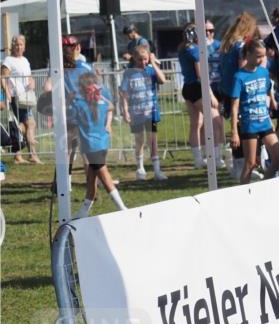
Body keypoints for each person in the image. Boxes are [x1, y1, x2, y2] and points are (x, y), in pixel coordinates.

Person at [69, 72, 127, 218]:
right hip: (103, 142)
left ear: (81, 88)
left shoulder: (77, 104)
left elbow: (72, 124)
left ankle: (122, 207)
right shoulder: (102, 99)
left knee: (105, 177)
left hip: (90, 146)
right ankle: (83, 211)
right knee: (91, 179)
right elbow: (112, 107)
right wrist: (107, 123)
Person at [229, 39, 279, 184]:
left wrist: (273, 100)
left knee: (278, 156)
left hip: (265, 122)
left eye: (263, 56)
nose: (261, 60)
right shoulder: (239, 77)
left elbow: (268, 89)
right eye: (258, 56)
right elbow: (234, 106)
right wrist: (235, 132)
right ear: (248, 55)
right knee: (250, 163)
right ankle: (243, 193)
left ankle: (264, 184)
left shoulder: (263, 72)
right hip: (249, 124)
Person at [177, 22, 226, 170]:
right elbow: (201, 75)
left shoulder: (183, 48)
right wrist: (210, 94)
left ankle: (200, 158)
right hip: (198, 88)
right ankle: (216, 158)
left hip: (188, 87)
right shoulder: (194, 50)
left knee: (197, 124)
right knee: (215, 121)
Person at [119, 44, 167, 181]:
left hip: (151, 111)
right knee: (139, 139)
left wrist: (153, 63)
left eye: (145, 59)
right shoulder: (129, 73)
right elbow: (123, 93)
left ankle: (157, 171)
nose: (143, 62)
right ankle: (140, 168)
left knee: (153, 140)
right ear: (134, 58)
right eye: (140, 59)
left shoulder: (151, 70)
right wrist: (125, 111)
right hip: (136, 113)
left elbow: (162, 80)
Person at [220, 12, 259, 176]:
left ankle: (237, 165)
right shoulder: (241, 46)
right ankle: (243, 165)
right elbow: (243, 67)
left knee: (235, 127)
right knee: (243, 129)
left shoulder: (228, 45)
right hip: (239, 91)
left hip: (227, 90)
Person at [3, 34, 40, 163]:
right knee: (31, 123)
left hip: (27, 97)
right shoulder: (8, 60)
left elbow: (29, 76)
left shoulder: (25, 60)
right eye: (17, 44)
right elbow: (3, 78)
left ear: (24, 46)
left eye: (21, 44)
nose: (19, 47)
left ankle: (18, 155)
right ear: (13, 46)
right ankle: (32, 155)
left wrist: (32, 82)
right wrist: (7, 93)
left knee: (23, 125)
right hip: (15, 97)